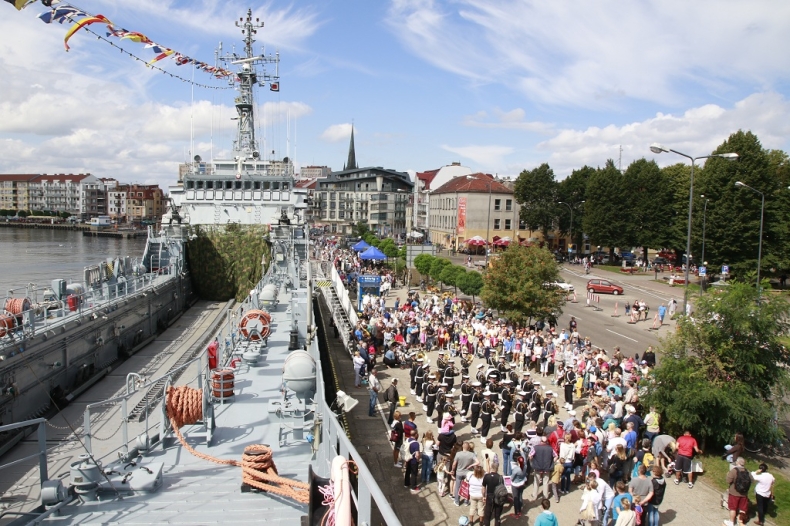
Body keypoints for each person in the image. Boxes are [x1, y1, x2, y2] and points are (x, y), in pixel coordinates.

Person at [725, 457, 751, 526]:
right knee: (743, 508)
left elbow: (728, 481)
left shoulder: (734, 470)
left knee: (733, 508)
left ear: (738, 462)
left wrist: (728, 474)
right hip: (744, 493)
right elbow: (752, 480)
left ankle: (731, 522)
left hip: (734, 493)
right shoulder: (747, 471)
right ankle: (741, 522)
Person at [452, 441, 479, 506]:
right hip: (468, 473)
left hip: (459, 472)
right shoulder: (472, 454)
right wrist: (471, 465)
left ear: (462, 447)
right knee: (467, 487)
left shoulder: (458, 454)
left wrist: (453, 470)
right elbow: (478, 462)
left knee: (457, 487)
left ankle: (457, 501)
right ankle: (466, 501)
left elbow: (454, 464)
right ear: (468, 447)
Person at [510, 451, 528, 519]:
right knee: (520, 496)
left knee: (515, 498)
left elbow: (512, 478)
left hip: (515, 484)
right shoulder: (525, 466)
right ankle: (520, 510)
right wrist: (522, 451)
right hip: (522, 483)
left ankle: (516, 513)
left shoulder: (516, 469)